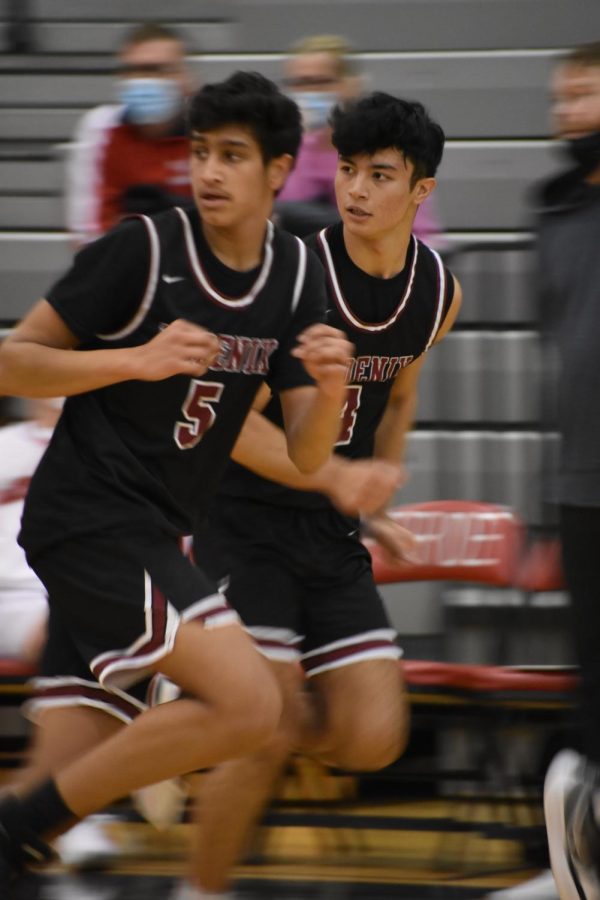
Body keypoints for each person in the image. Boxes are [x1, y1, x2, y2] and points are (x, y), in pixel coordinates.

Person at [0, 70, 355, 890]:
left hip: (153, 538)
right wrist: (135, 358)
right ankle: (22, 829)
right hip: (89, 520)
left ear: (277, 170)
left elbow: (305, 454)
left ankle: (27, 825)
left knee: (76, 760)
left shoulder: (297, 278)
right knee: (251, 706)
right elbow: (15, 358)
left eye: (233, 155)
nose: (210, 171)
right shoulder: (146, 248)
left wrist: (331, 389)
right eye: (200, 152)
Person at [181, 90, 462, 900]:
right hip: (246, 516)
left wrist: (375, 502)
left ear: (422, 190)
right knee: (263, 731)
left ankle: (192, 731)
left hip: (329, 533)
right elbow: (230, 423)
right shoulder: (290, 270)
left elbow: (399, 397)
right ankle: (200, 888)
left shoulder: (437, 292)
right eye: (346, 170)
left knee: (374, 740)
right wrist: (333, 475)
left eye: (381, 174)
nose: (357, 189)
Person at [489, 41, 600, 900]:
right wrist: (540, 508)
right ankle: (572, 869)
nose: (568, 111)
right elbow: (556, 362)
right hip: (580, 485)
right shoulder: (552, 211)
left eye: (586, 94)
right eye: (562, 98)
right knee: (591, 692)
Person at [276, 34, 443, 246]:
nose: (309, 92)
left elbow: (419, 235)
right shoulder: (293, 152)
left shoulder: (390, 148)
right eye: (299, 83)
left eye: (321, 82)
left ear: (350, 85)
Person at [65, 22, 194, 243]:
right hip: (125, 266)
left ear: (185, 78)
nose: (144, 80)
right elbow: (85, 236)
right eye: (133, 70)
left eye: (157, 70)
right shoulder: (100, 128)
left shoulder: (210, 129)